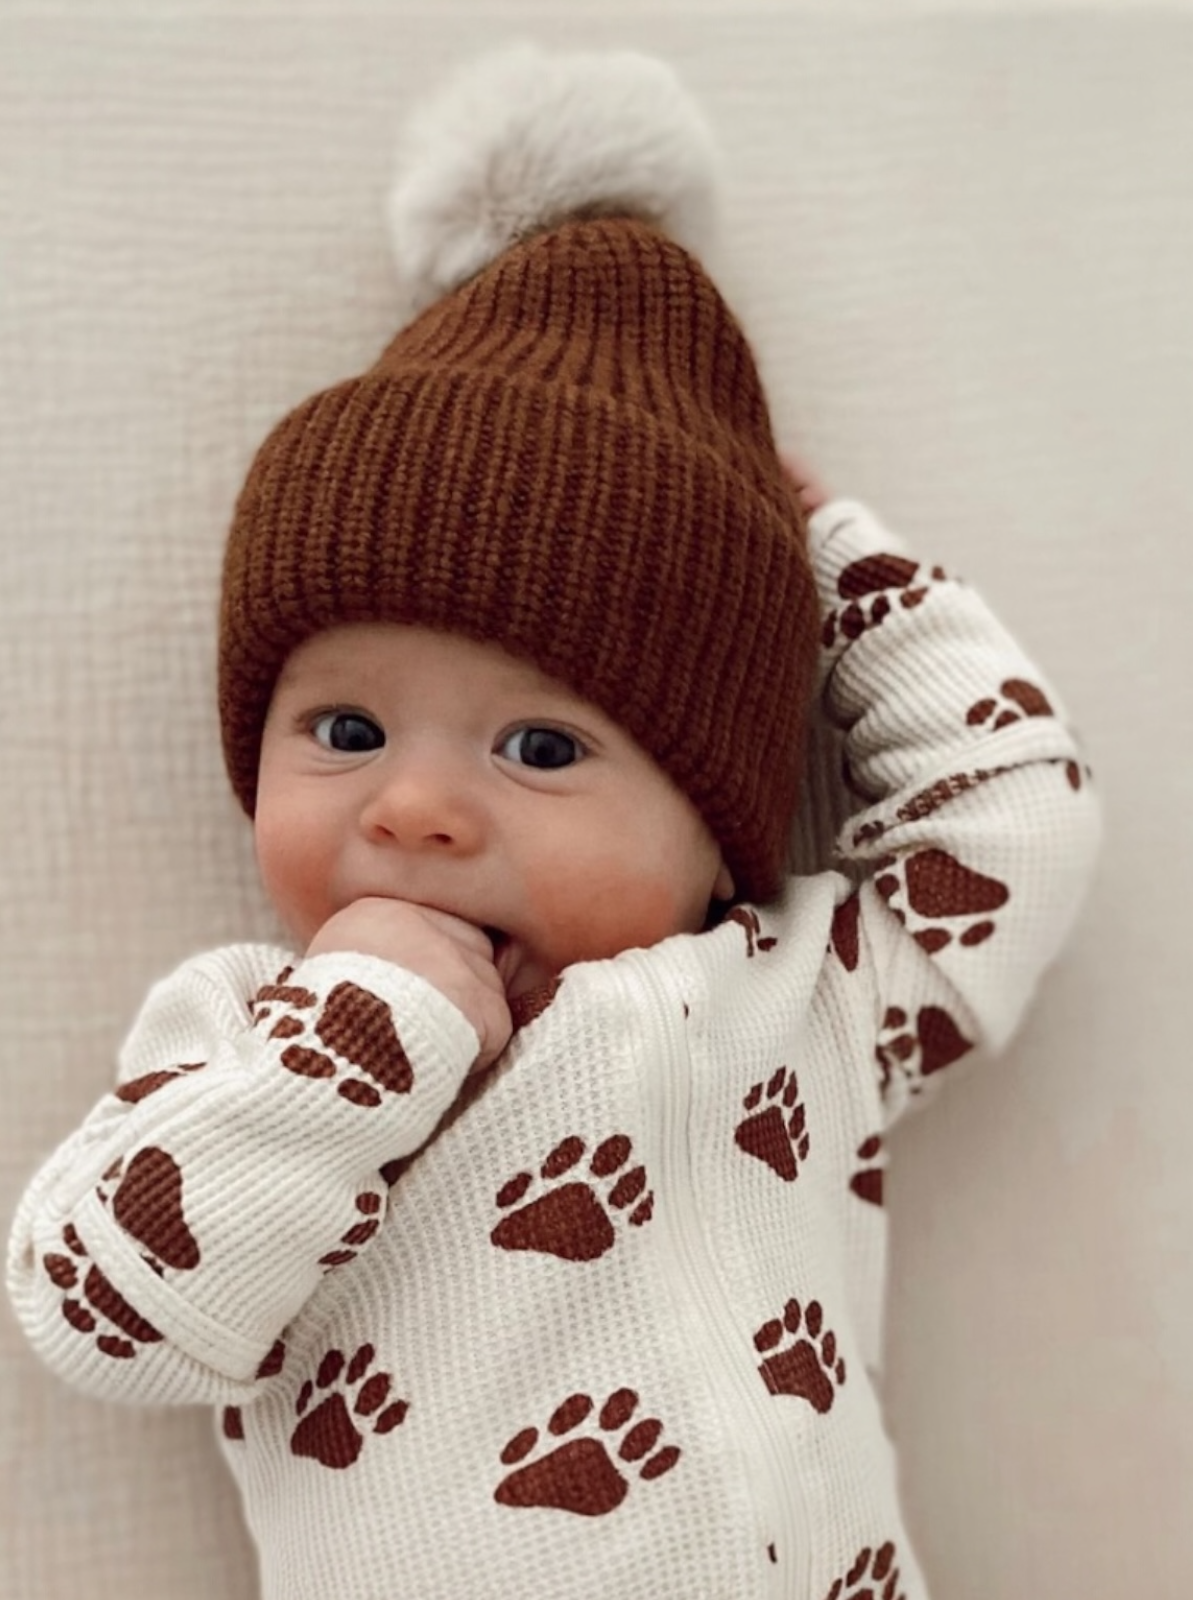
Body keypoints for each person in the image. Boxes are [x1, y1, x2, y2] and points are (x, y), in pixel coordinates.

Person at [6, 42, 1099, 1600]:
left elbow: (1017, 821)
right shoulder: (249, 1041)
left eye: (539, 746)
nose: (415, 809)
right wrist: (357, 1043)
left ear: (712, 821)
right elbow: (103, 1315)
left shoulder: (807, 1000)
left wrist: (826, 564)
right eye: (346, 732)